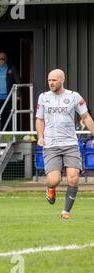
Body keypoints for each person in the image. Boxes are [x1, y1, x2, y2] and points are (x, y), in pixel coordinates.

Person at [36, 69, 94, 220]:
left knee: (73, 178)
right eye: (49, 80)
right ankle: (50, 188)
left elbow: (86, 117)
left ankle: (66, 212)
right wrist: (40, 136)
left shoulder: (74, 96)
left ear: (62, 80)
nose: (51, 83)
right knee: (53, 180)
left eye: (54, 80)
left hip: (70, 144)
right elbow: (39, 119)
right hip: (51, 144)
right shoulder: (43, 97)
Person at [0, 52, 21, 127]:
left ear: (6, 59)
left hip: (9, 97)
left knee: (10, 115)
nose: (1, 60)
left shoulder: (11, 68)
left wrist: (18, 95)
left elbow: (17, 81)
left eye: (3, 58)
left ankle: (10, 133)